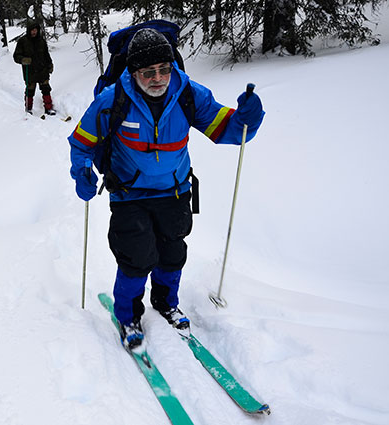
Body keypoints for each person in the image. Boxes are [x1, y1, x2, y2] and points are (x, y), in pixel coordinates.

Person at [68, 28, 264, 350]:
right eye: (148, 72)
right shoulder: (113, 100)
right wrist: (81, 172)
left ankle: (165, 302)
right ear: (134, 73)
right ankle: (128, 315)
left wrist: (246, 120)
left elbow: (225, 129)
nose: (158, 78)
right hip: (128, 193)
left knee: (172, 253)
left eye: (164, 69)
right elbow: (82, 141)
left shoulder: (188, 94)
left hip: (174, 191)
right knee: (136, 256)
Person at [13, 22, 55, 115]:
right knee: (30, 90)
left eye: (35, 30)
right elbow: (16, 56)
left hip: (42, 69)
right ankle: (28, 108)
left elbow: (46, 54)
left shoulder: (41, 41)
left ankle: (48, 108)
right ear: (29, 30)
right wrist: (23, 60)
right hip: (30, 71)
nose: (34, 32)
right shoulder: (22, 41)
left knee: (46, 89)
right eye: (32, 30)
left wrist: (50, 64)